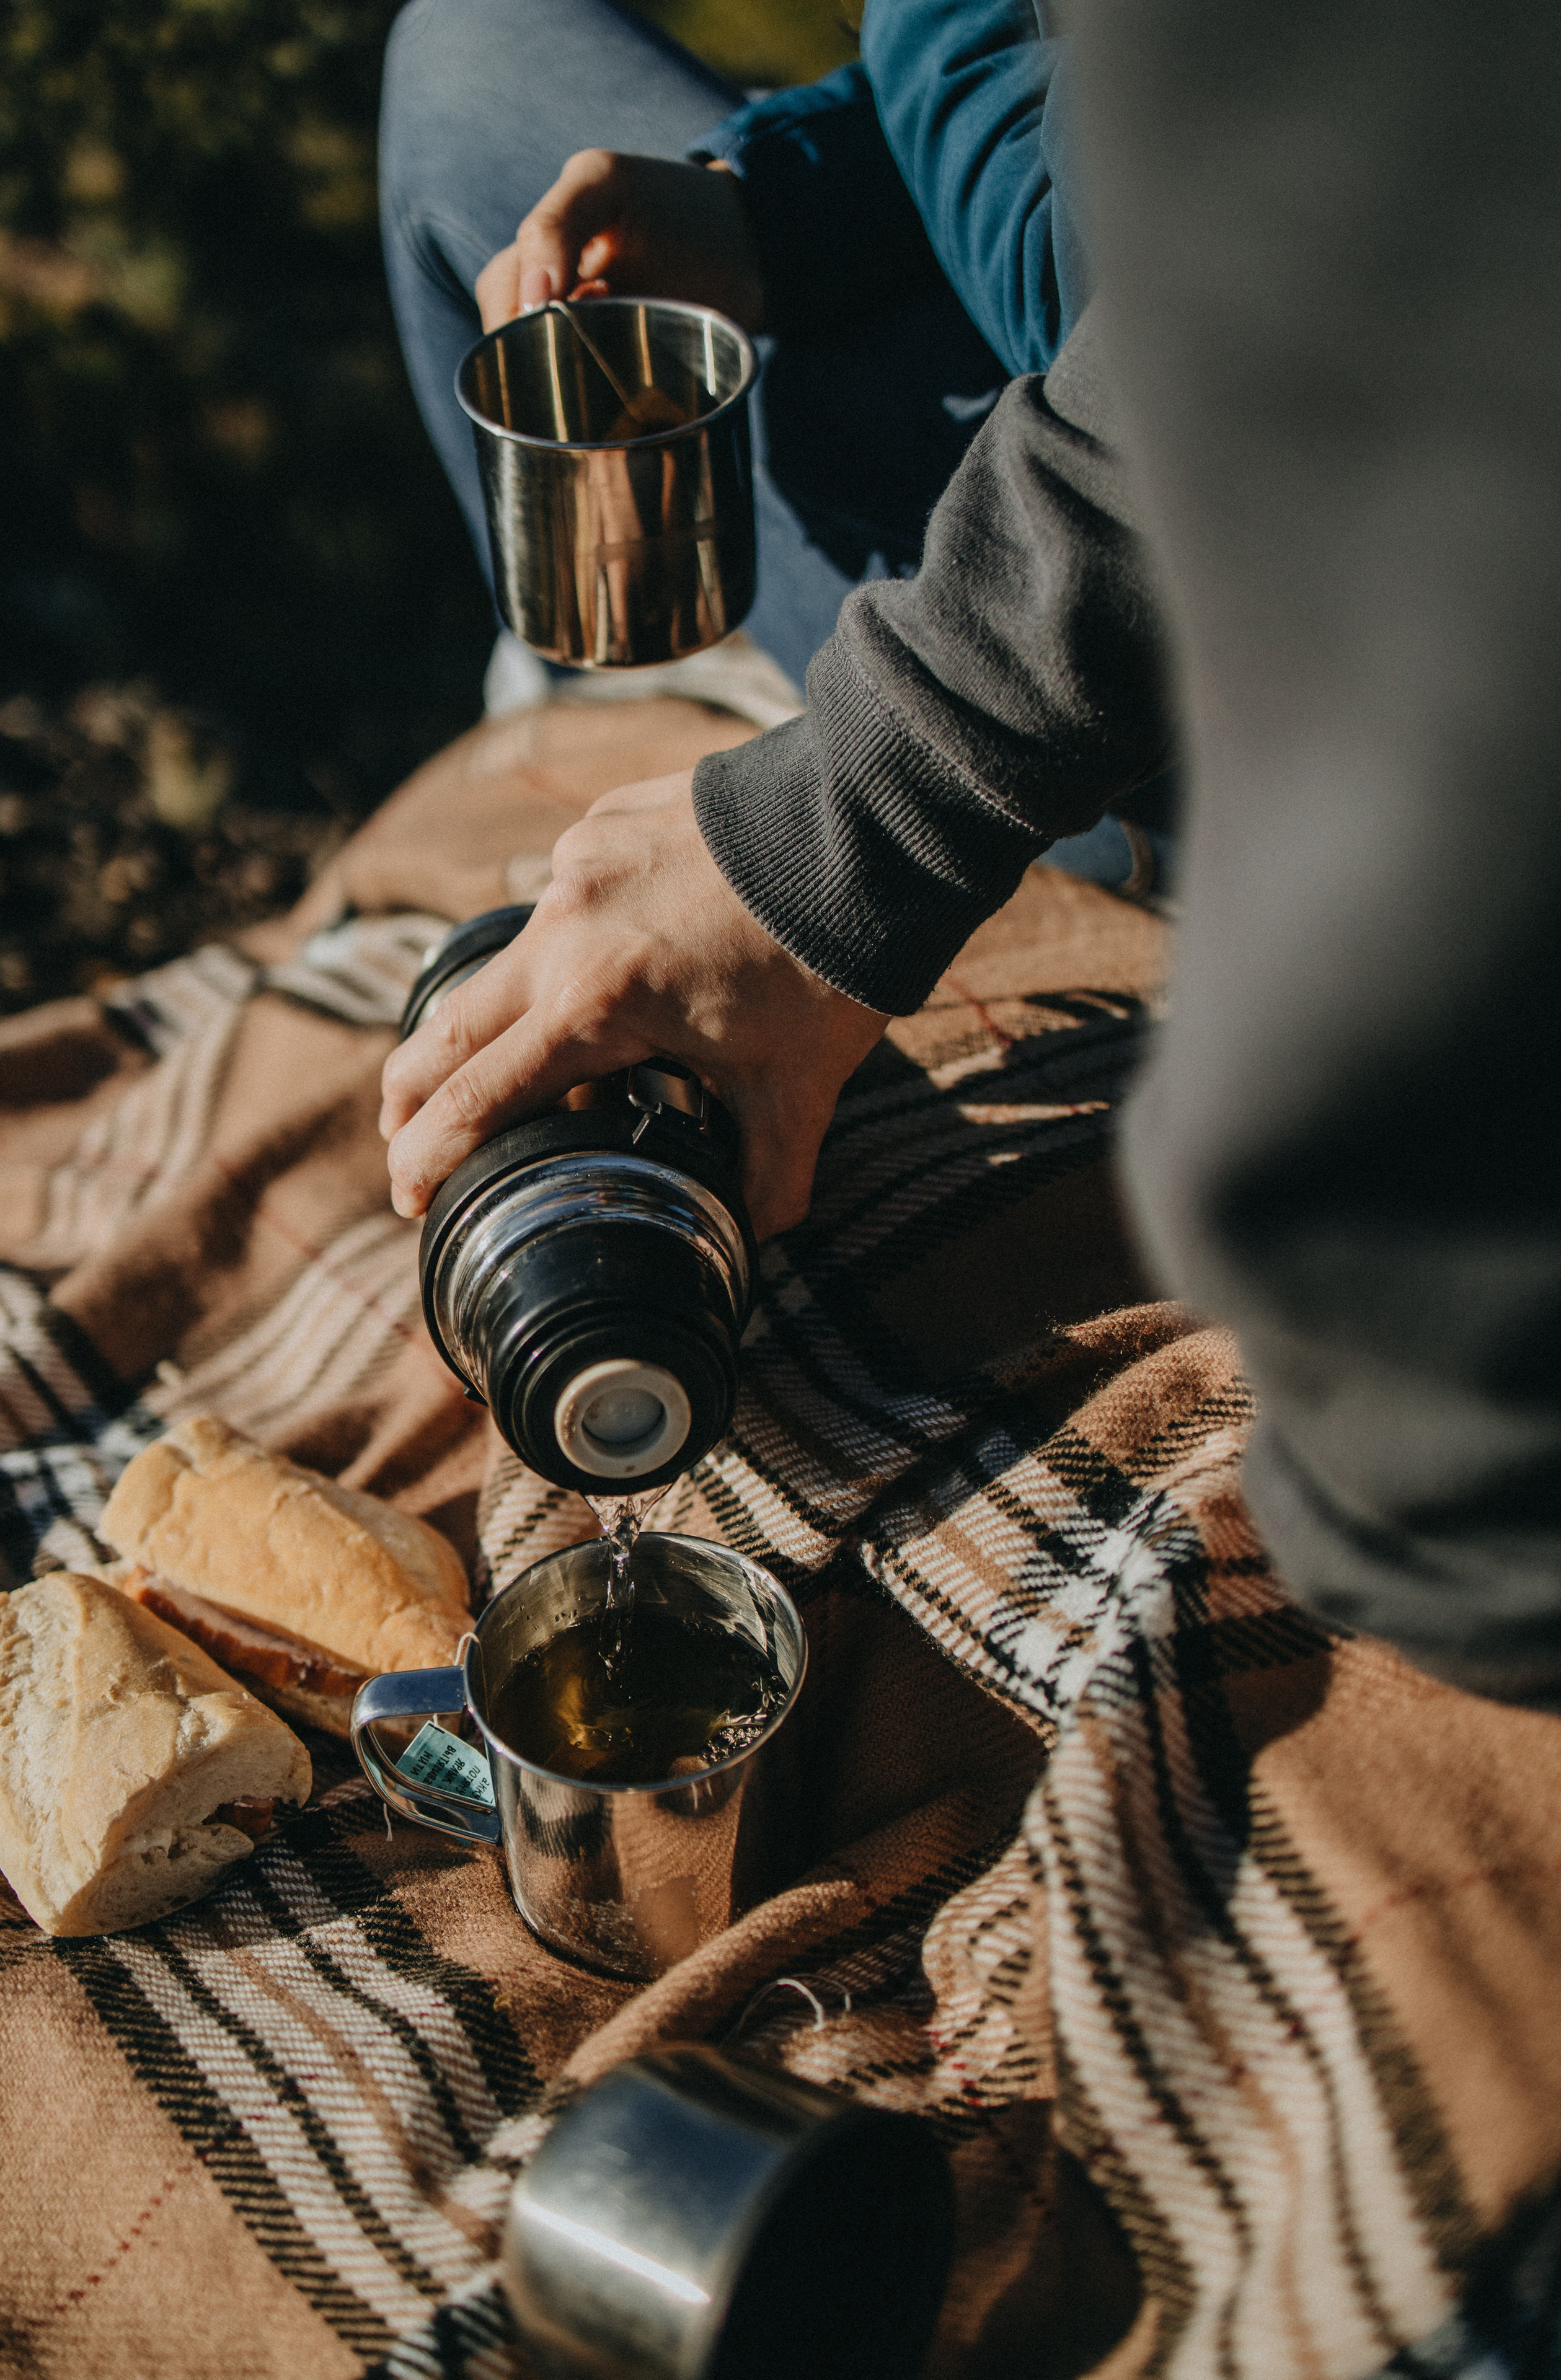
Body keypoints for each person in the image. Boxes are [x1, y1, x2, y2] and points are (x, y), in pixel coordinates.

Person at [382, 0, 1561, 1712]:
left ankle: (731, 740)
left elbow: (1387, 247)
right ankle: (639, 706)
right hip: (1114, 399)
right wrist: (782, 202)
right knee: (474, 62)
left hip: (1338, 595)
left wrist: (863, 815)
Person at [379, 0, 1084, 693]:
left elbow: (1090, 336)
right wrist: (763, 212)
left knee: (452, 91)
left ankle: (617, 682)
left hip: (1076, 612)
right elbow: (1070, 95)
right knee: (460, 46)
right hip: (1029, 339)